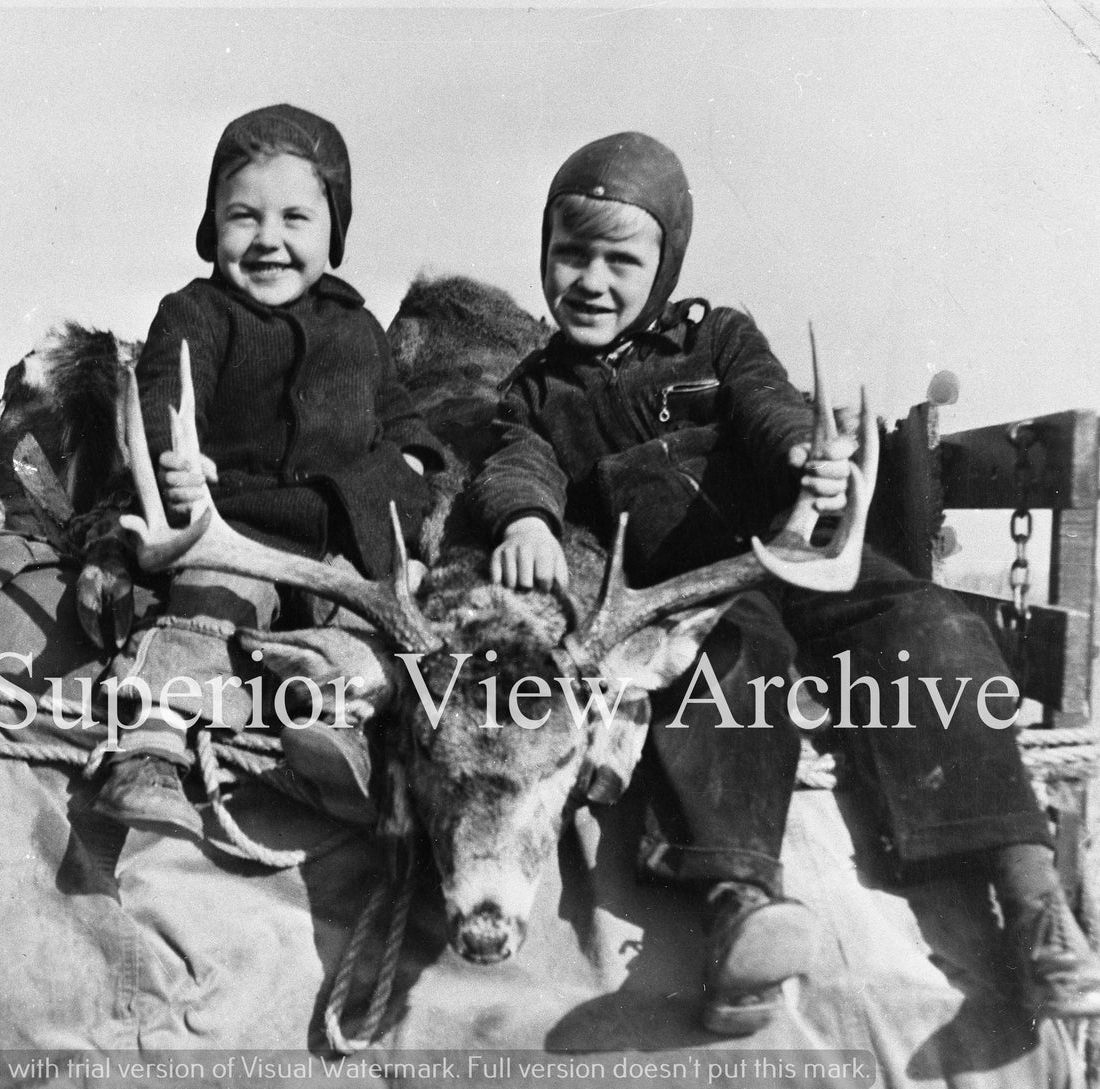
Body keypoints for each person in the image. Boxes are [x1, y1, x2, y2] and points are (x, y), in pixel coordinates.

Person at [472, 131, 1100, 1033]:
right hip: (697, 594)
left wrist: (809, 454)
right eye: (571, 254)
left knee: (928, 622)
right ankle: (739, 904)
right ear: (543, 251)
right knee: (729, 670)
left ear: (664, 264)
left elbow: (770, 405)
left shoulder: (715, 337)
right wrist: (526, 518)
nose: (591, 282)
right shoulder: (536, 391)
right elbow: (516, 460)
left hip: (801, 554)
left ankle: (1032, 898)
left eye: (622, 261)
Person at [89, 104, 445, 838]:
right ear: (212, 225)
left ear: (332, 230)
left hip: (337, 545)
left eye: (295, 219)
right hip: (235, 528)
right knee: (211, 605)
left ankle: (334, 738)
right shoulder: (196, 313)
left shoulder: (359, 330)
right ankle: (151, 746)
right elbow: (163, 396)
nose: (268, 240)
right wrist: (178, 461)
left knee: (362, 628)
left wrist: (411, 461)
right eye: (243, 217)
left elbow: (402, 420)